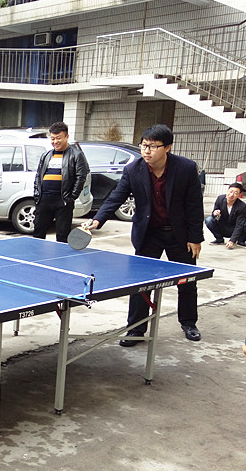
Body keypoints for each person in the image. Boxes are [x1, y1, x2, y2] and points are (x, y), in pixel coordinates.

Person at [83, 124, 204, 345]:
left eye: (153, 146)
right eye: (144, 145)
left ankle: (189, 323)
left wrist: (195, 237)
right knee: (140, 284)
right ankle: (136, 329)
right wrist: (97, 220)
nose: (146, 151)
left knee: (187, 281)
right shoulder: (133, 169)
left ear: (167, 147)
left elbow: (195, 205)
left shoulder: (186, 168)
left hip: (179, 234)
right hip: (149, 233)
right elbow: (116, 197)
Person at [33, 121, 90, 243]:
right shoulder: (46, 155)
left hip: (63, 201)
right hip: (44, 200)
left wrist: (72, 197)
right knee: (38, 233)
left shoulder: (77, 155)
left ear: (67, 137)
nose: (55, 141)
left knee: (62, 236)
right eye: (52, 138)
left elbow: (81, 177)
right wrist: (37, 195)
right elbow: (38, 176)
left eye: (58, 138)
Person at [205, 182, 246, 249]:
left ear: (239, 195)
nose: (231, 195)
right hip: (223, 226)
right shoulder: (220, 199)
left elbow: (239, 225)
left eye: (235, 193)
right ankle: (219, 239)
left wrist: (232, 241)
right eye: (230, 191)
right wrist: (215, 213)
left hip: (235, 228)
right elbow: (214, 215)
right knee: (209, 220)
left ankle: (241, 241)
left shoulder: (242, 206)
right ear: (227, 190)